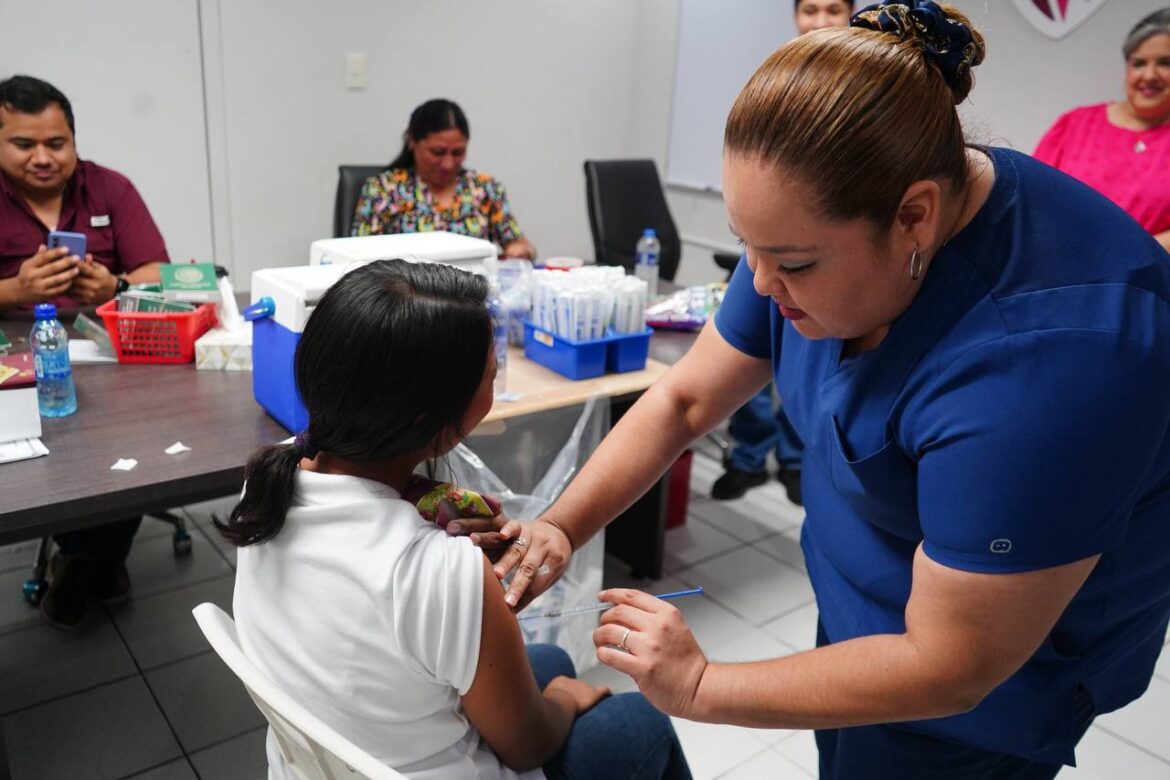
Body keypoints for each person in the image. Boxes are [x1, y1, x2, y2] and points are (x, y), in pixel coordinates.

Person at [466, 3, 1170, 777]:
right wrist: (564, 524)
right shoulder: (809, 229)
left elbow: (952, 666)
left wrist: (703, 685)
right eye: (748, 250)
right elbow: (685, 400)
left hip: (981, 695)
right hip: (873, 611)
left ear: (915, 219)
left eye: (793, 266)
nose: (762, 287)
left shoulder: (1053, 367)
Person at [218, 260, 690, 780]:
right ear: (436, 423)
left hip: (319, 761)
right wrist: (567, 699)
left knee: (549, 656)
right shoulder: (442, 570)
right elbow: (528, 746)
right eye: (490, 376)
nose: (494, 382)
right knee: (633, 717)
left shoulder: (269, 479)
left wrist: (417, 493)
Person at [0, 74, 170, 629]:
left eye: (57, 143)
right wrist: (14, 292)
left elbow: (157, 274)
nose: (44, 158)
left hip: (107, 350)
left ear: (74, 140)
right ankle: (90, 555)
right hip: (16, 354)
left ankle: (88, 556)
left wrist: (116, 286)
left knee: (135, 431)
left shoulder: (109, 187)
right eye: (24, 144)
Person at [712, 0, 854, 505]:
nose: (819, 21)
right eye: (809, 9)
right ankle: (749, 455)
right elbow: (684, 402)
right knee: (745, 355)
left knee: (813, 358)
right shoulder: (777, 81)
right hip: (781, 241)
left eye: (833, 9)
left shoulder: (865, 97)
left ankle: (796, 460)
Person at [1034, 8, 1170, 252]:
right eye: (1139, 63)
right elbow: (1031, 200)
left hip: (1152, 280)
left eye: (1165, 63)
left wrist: (1129, 254)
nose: (1149, 75)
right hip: (1062, 271)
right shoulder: (1075, 125)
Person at [351, 98, 537, 260]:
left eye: (458, 152)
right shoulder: (384, 189)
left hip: (471, 295)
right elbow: (357, 256)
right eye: (437, 152)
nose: (448, 164)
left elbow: (519, 243)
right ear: (412, 142)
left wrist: (522, 250)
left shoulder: (484, 188)